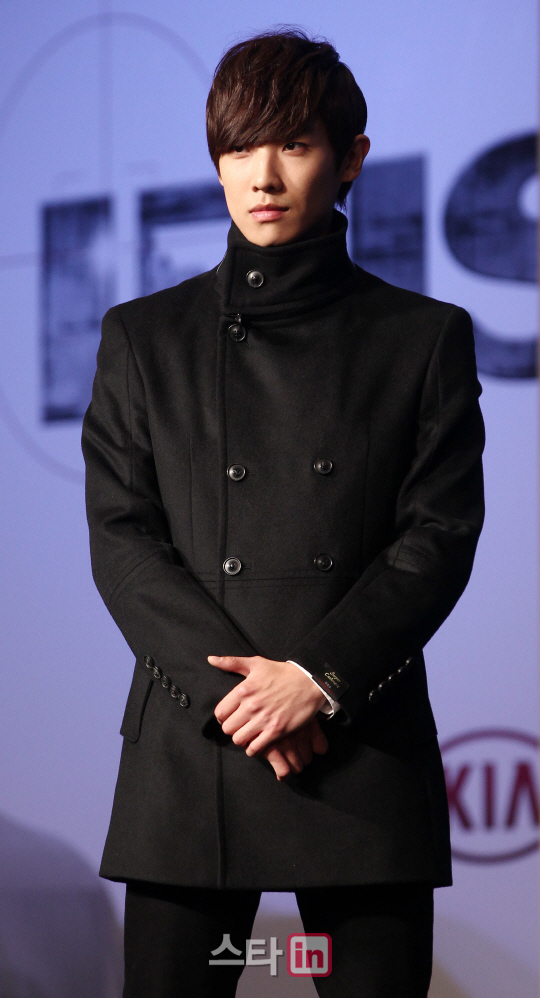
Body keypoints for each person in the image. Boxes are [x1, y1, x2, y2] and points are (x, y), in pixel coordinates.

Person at [81, 27, 485, 998]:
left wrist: (317, 678)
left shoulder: (423, 338)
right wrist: (248, 699)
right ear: (216, 160)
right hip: (194, 752)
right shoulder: (144, 338)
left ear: (350, 159)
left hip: (359, 748)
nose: (262, 175)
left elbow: (436, 538)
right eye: (238, 147)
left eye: (295, 144)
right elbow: (123, 539)